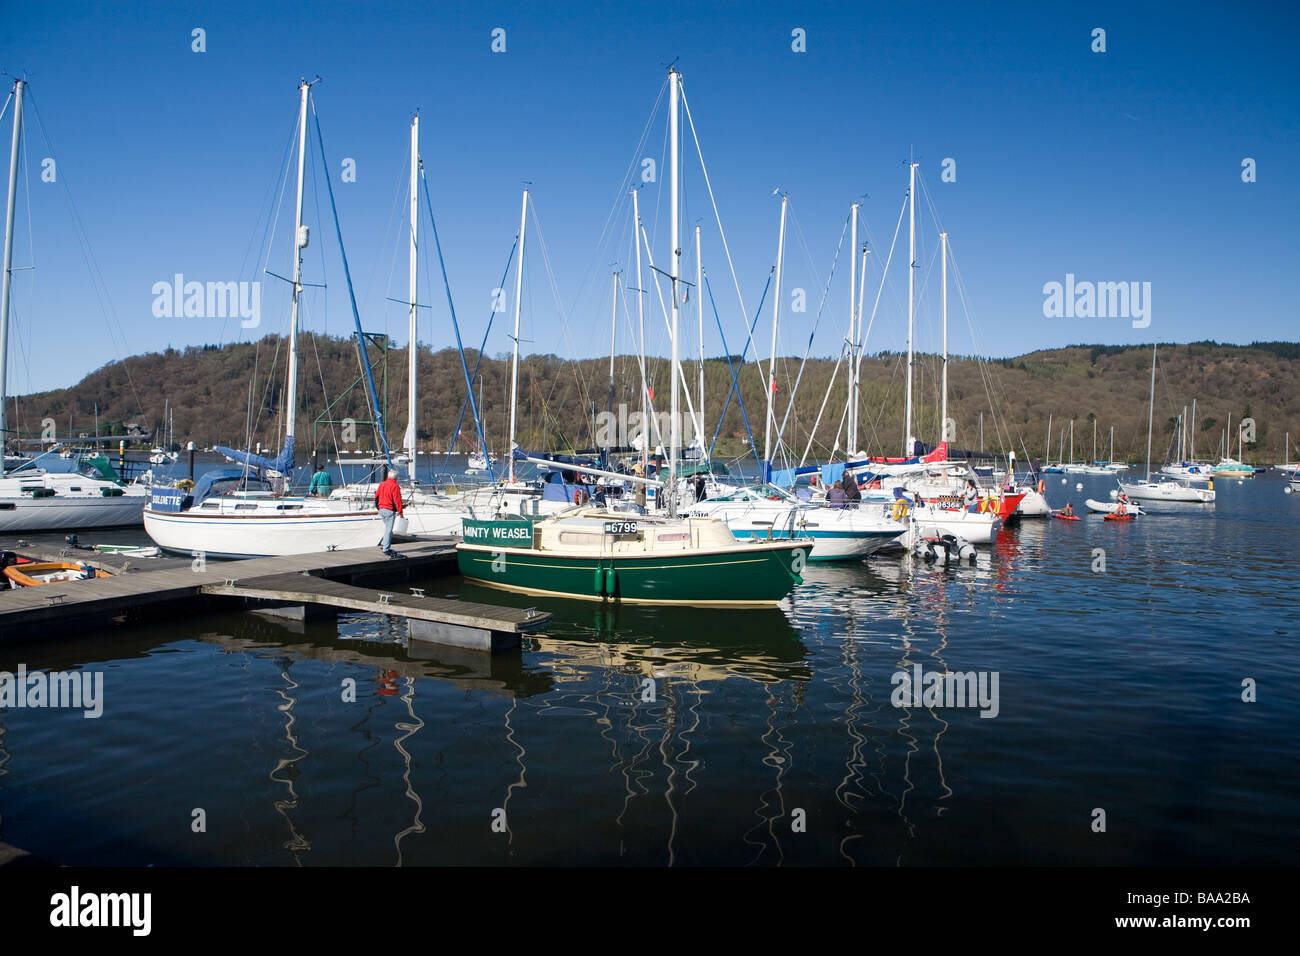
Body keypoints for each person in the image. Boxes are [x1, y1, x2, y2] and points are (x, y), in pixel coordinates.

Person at [375, 469, 405, 556]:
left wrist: (378, 507)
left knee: (387, 528)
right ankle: (386, 549)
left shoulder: (382, 484)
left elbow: (376, 496)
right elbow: (397, 500)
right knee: (389, 530)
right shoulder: (395, 486)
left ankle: (383, 543)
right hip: (389, 510)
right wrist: (401, 512)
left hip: (381, 509)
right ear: (396, 478)